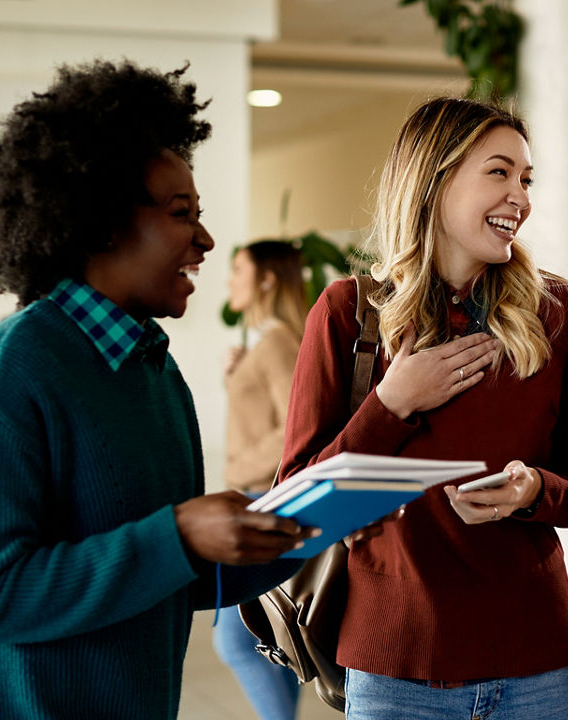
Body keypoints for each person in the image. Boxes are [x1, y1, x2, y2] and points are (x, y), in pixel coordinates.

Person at [0, 60, 318, 719]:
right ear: (103, 218)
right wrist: (179, 536)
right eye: (180, 212)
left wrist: (310, 528)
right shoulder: (5, 373)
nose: (205, 240)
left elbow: (164, 579)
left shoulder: (154, 372)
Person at [281, 96, 568, 720]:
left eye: (526, 178)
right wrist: (390, 404)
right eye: (499, 172)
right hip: (394, 669)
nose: (521, 197)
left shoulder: (563, 316)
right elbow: (300, 506)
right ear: (435, 181)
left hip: (539, 667)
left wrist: (534, 489)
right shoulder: (349, 315)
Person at [213, 239, 308, 720]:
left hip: (262, 500)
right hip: (256, 497)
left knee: (233, 639)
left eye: (237, 270)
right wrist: (236, 375)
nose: (229, 280)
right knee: (267, 643)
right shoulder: (266, 341)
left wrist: (239, 469)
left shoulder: (277, 342)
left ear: (267, 279)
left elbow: (296, 428)